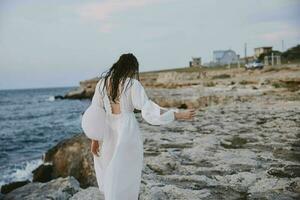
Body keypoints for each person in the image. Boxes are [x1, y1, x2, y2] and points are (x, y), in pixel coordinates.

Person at [81, 53, 195, 200]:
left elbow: (94, 114)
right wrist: (177, 114)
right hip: (127, 131)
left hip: (107, 131)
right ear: (132, 68)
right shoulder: (132, 84)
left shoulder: (102, 84)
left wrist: (95, 139)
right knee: (126, 173)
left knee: (111, 170)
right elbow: (149, 110)